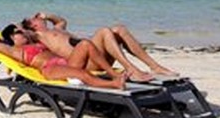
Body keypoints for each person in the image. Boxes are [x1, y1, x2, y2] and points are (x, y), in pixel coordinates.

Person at [22, 11, 176, 81]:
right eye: (34, 19)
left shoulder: (56, 29)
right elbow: (19, 31)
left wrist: (47, 15)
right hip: (85, 64)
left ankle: (154, 66)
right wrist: (23, 27)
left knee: (119, 29)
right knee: (104, 31)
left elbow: (62, 21)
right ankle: (132, 70)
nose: (38, 19)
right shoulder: (39, 36)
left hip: (94, 56)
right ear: (33, 25)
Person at [0, 24, 128, 90]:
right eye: (19, 31)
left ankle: (113, 74)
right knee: (81, 73)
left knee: (85, 44)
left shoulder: (35, 42)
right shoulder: (15, 51)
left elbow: (60, 23)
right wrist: (3, 39)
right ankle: (114, 84)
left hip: (66, 63)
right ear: (12, 37)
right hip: (50, 68)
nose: (23, 32)